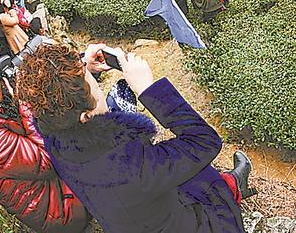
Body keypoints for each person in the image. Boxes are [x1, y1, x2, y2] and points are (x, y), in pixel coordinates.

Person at [16, 44, 253, 233]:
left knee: (184, 169)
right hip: (179, 226)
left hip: (130, 218)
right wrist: (148, 89)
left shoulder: (53, 134)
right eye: (92, 83)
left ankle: (231, 184)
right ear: (86, 115)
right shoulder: (131, 165)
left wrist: (79, 69)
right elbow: (204, 141)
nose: (95, 83)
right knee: (203, 174)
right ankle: (234, 187)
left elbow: (54, 99)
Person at [0, 42, 92, 233]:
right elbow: (48, 161)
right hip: (63, 210)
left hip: (51, 191)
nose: (1, 80)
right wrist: (24, 103)